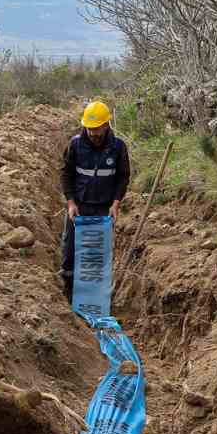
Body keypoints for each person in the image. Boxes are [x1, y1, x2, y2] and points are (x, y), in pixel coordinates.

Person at [59, 100, 131, 302]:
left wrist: (116, 203)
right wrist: (71, 203)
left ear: (106, 125)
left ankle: (95, 298)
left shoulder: (118, 148)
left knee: (96, 254)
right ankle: (70, 295)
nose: (92, 134)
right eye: (89, 129)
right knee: (71, 251)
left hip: (104, 209)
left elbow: (123, 177)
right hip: (79, 207)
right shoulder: (75, 145)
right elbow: (65, 174)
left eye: (96, 129)